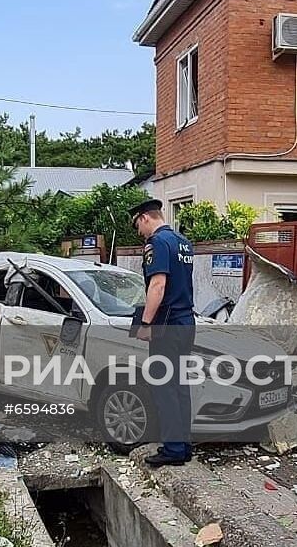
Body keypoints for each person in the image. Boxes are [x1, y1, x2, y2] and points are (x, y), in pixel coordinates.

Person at [130, 198, 196, 467]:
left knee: (164, 386)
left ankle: (173, 448)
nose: (139, 233)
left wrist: (145, 324)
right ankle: (183, 445)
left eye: (138, 226)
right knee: (180, 386)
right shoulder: (183, 242)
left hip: (166, 325)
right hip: (186, 321)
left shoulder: (157, 243)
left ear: (145, 217)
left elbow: (157, 285)